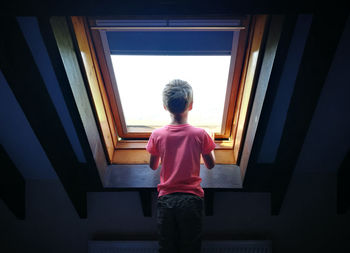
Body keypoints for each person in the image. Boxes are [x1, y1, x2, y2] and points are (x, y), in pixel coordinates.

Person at [146, 79, 216, 253]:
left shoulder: (157, 134)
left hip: (166, 199)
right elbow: (211, 164)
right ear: (190, 105)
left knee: (167, 247)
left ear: (165, 106)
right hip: (191, 200)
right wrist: (211, 141)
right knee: (190, 247)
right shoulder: (200, 134)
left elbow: (153, 166)